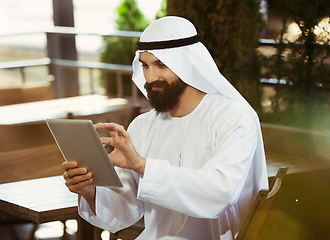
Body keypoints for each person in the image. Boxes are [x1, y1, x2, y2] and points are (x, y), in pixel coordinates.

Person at [62, 16, 268, 240]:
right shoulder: (142, 125)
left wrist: (142, 166)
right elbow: (123, 210)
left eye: (161, 65)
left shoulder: (233, 117)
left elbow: (220, 192)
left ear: (188, 64)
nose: (150, 77)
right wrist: (89, 191)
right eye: (145, 65)